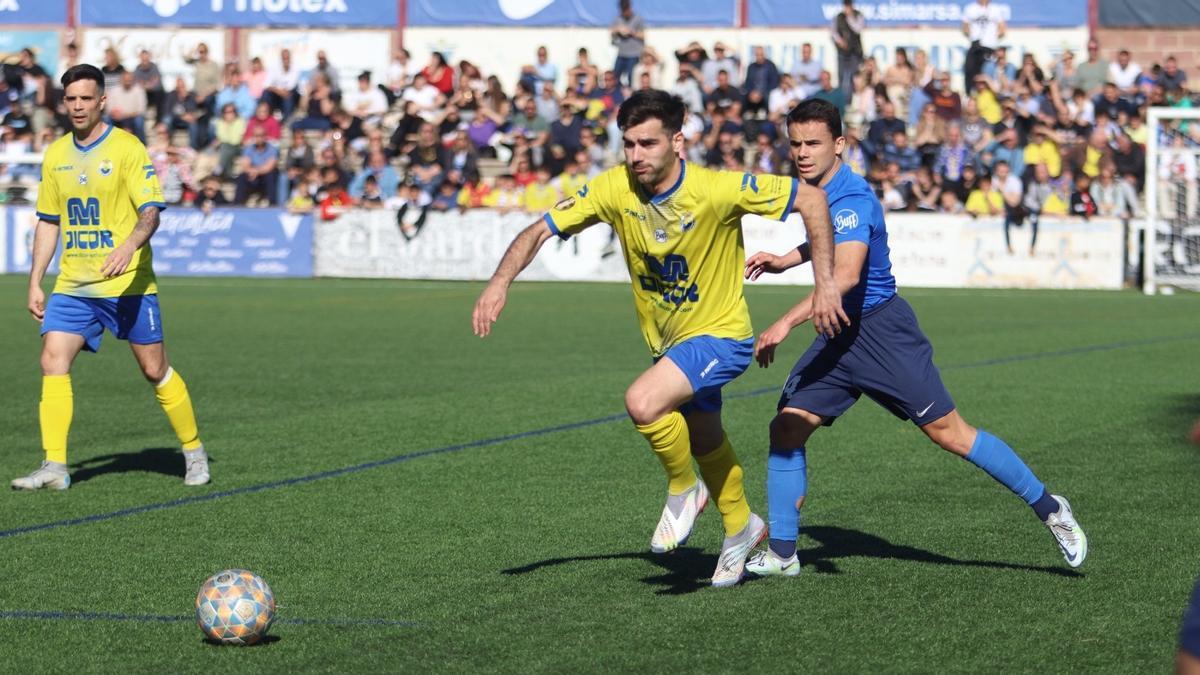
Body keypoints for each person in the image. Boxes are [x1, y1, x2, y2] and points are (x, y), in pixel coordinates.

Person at [471, 90, 845, 588]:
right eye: (628, 144)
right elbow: (539, 230)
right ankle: (741, 528)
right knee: (706, 437)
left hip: (721, 338)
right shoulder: (613, 188)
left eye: (648, 143)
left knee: (643, 402)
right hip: (669, 343)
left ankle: (683, 488)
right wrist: (500, 281)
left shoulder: (715, 188)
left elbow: (813, 200)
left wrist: (824, 284)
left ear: (677, 140)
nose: (636, 155)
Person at [740, 98, 1087, 577]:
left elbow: (843, 276)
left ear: (839, 144)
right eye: (795, 143)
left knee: (951, 435)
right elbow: (830, 238)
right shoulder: (815, 189)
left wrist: (783, 323)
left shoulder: (854, 196)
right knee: (786, 427)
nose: (801, 152)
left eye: (813, 143)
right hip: (839, 333)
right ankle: (782, 554)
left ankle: (1050, 508)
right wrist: (788, 258)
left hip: (881, 331)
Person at [14, 64, 209, 491]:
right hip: (74, 285)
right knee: (52, 360)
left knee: (154, 369)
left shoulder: (127, 148)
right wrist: (34, 281)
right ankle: (55, 466)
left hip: (128, 283)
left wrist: (129, 246)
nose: (79, 106)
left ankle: (193, 452)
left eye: (87, 98)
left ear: (102, 101)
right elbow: (48, 221)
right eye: (71, 99)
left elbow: (151, 212)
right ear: (63, 102)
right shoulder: (57, 155)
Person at [962, 0, 1004, 94]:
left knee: (986, 72)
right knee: (970, 70)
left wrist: (992, 38)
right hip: (975, 44)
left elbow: (1002, 28)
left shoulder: (995, 9)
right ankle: (970, 94)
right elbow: (965, 27)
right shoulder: (970, 8)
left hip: (989, 46)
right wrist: (972, 36)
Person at [831, 0, 865, 96]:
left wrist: (849, 17)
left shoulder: (858, 15)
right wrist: (840, 41)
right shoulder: (839, 17)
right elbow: (833, 31)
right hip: (842, 52)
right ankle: (841, 100)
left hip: (854, 52)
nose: (847, 7)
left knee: (853, 77)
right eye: (845, 5)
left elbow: (858, 29)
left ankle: (851, 100)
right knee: (841, 76)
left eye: (848, 5)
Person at [610, 0, 645, 89]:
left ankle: (630, 95)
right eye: (623, 10)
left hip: (634, 54)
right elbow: (611, 32)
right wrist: (618, 30)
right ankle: (618, 93)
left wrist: (630, 32)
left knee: (631, 77)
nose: (625, 13)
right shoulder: (618, 19)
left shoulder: (638, 18)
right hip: (622, 53)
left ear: (630, 8)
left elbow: (643, 36)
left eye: (626, 10)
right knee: (615, 76)